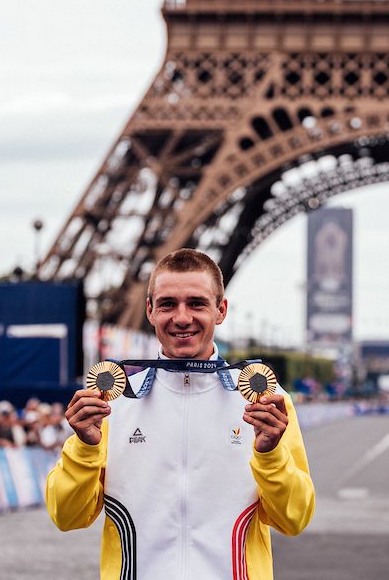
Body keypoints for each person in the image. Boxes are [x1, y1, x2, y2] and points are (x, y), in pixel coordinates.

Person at [47, 248, 315, 580]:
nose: (182, 317)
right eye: (168, 304)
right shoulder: (111, 401)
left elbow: (295, 519)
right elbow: (66, 515)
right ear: (150, 311)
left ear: (221, 310)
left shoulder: (266, 402)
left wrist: (270, 455)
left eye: (197, 303)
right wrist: (84, 448)